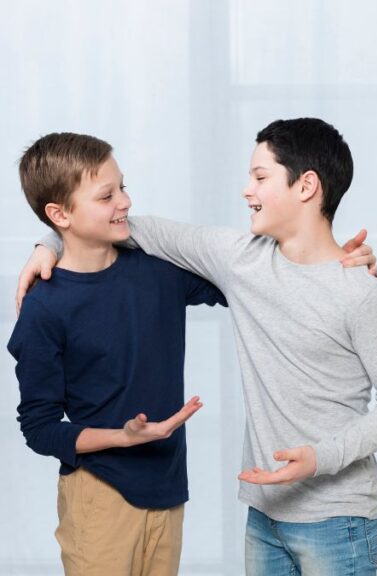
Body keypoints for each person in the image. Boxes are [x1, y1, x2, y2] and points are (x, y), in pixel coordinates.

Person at [18, 118, 377, 575]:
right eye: (109, 195)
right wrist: (46, 243)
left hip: (321, 512)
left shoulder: (350, 290)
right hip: (248, 510)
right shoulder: (239, 260)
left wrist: (319, 457)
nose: (246, 190)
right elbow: (107, 228)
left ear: (306, 186)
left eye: (260, 177)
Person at [9, 132, 224, 575]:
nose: (124, 202)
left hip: (168, 492)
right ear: (59, 214)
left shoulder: (162, 273)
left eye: (123, 187)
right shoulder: (44, 308)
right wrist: (121, 438)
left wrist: (335, 261)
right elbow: (40, 428)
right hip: (99, 496)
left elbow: (250, 279)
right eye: (107, 195)